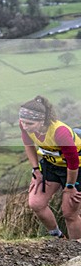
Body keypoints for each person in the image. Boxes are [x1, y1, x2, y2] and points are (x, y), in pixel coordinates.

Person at [19, 96, 81, 239]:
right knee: (36, 203)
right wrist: (36, 170)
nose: (25, 126)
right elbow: (28, 145)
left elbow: (73, 162)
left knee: (69, 213)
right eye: (23, 122)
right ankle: (58, 238)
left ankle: (76, 252)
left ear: (43, 121)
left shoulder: (60, 132)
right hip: (51, 164)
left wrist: (70, 186)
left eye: (30, 123)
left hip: (75, 168)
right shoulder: (24, 124)